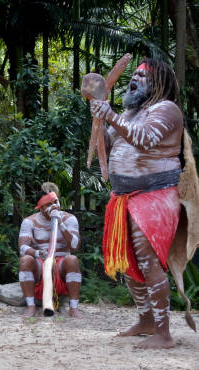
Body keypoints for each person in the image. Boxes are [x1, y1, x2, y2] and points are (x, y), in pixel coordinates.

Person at [90, 58, 184, 349]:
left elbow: (145, 140)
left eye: (143, 76)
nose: (135, 78)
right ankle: (145, 320)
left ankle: (163, 333)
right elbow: (105, 142)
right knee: (130, 261)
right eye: (135, 74)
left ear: (159, 83)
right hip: (124, 198)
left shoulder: (166, 109)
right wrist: (97, 115)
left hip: (156, 195)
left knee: (147, 259)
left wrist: (111, 115)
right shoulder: (131, 113)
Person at [18, 186, 82, 318]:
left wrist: (60, 223)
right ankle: (31, 307)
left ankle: (74, 308)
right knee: (25, 260)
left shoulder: (69, 219)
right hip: (40, 263)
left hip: (62, 262)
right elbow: (22, 248)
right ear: (40, 208)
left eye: (56, 202)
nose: (54, 207)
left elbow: (75, 245)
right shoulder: (30, 221)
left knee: (73, 259)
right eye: (48, 204)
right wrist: (37, 253)